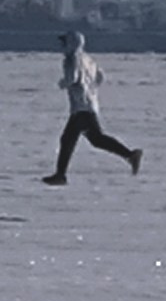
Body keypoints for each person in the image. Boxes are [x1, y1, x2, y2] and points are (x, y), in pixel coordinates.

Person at [42, 28, 141, 184]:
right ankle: (129, 155)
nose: (61, 46)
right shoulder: (89, 60)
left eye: (64, 43)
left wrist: (64, 83)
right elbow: (100, 77)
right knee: (94, 139)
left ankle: (60, 175)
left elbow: (72, 77)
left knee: (69, 140)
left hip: (80, 107)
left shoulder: (71, 58)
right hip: (90, 105)